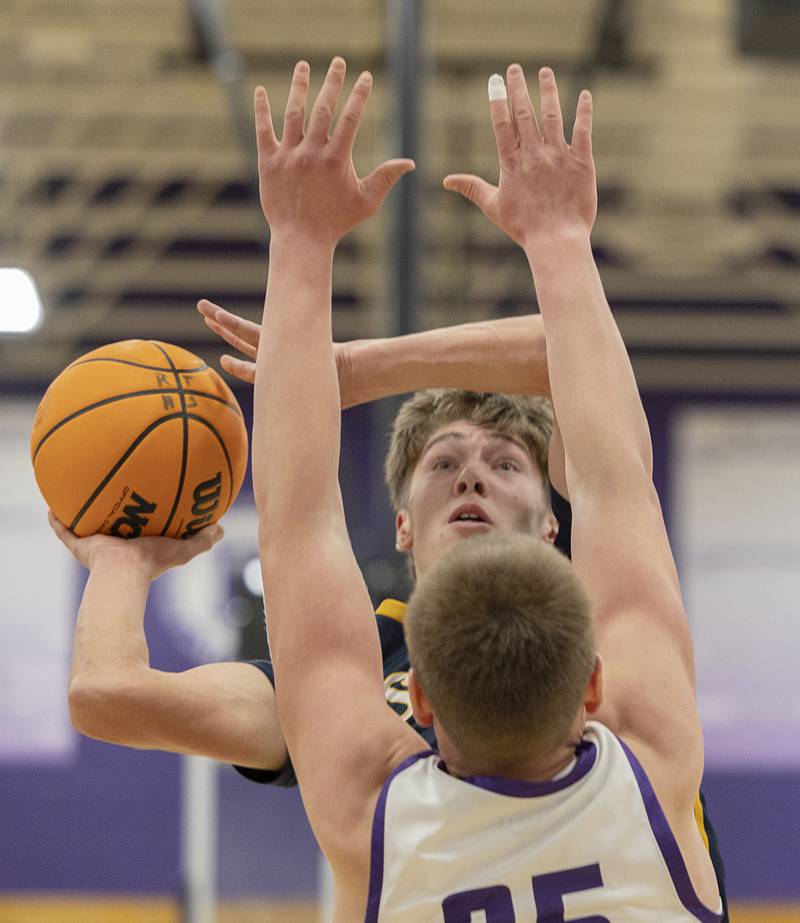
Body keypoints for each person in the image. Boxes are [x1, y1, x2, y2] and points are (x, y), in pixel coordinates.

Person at [50, 58, 728, 919]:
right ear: (402, 526)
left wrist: (321, 334)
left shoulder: (368, 773)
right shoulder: (642, 721)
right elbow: (608, 442)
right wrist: (559, 239)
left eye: (505, 462)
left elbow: (298, 526)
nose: (473, 472)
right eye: (443, 463)